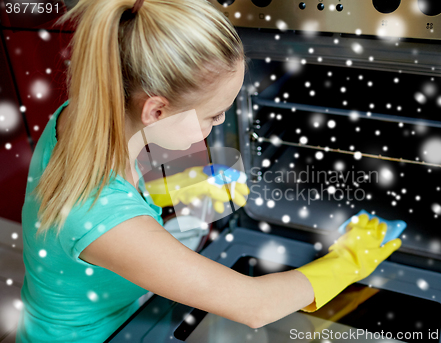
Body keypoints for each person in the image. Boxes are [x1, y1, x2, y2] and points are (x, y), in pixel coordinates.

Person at [16, 0, 401, 342]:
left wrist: (176, 189)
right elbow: (255, 305)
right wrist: (349, 261)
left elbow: (115, 193)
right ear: (156, 110)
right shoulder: (100, 218)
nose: (217, 126)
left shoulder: (84, 118)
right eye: (213, 115)